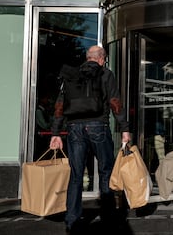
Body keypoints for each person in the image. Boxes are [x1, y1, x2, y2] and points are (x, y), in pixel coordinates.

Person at [49, 45, 131, 232]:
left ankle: (72, 221)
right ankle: (108, 218)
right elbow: (114, 102)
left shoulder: (72, 75)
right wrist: (124, 128)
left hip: (74, 128)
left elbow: (60, 105)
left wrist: (56, 132)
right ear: (102, 59)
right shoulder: (106, 74)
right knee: (106, 172)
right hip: (98, 126)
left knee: (76, 175)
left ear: (88, 58)